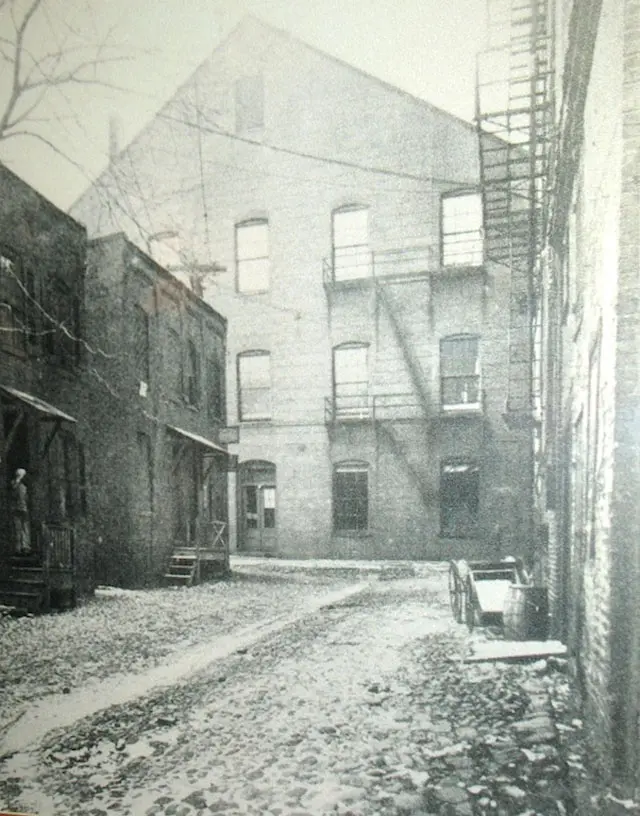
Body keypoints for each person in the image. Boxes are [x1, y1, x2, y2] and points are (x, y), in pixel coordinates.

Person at [10, 468, 31, 554]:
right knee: (22, 528)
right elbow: (23, 498)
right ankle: (21, 547)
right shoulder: (20, 486)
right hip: (21, 509)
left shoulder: (15, 484)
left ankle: (21, 547)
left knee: (20, 528)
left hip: (19, 508)